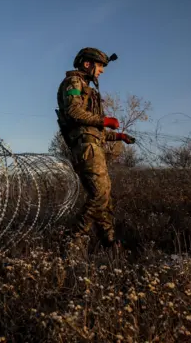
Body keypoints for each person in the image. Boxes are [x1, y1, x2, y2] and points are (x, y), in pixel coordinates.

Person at [55, 47, 136, 249]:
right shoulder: (73, 83)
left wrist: (118, 136)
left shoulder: (86, 87)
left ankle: (109, 241)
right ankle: (71, 239)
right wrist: (104, 120)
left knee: (105, 197)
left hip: (93, 144)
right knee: (99, 195)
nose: (102, 71)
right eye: (100, 66)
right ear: (87, 64)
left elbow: (93, 129)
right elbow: (74, 112)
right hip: (85, 148)